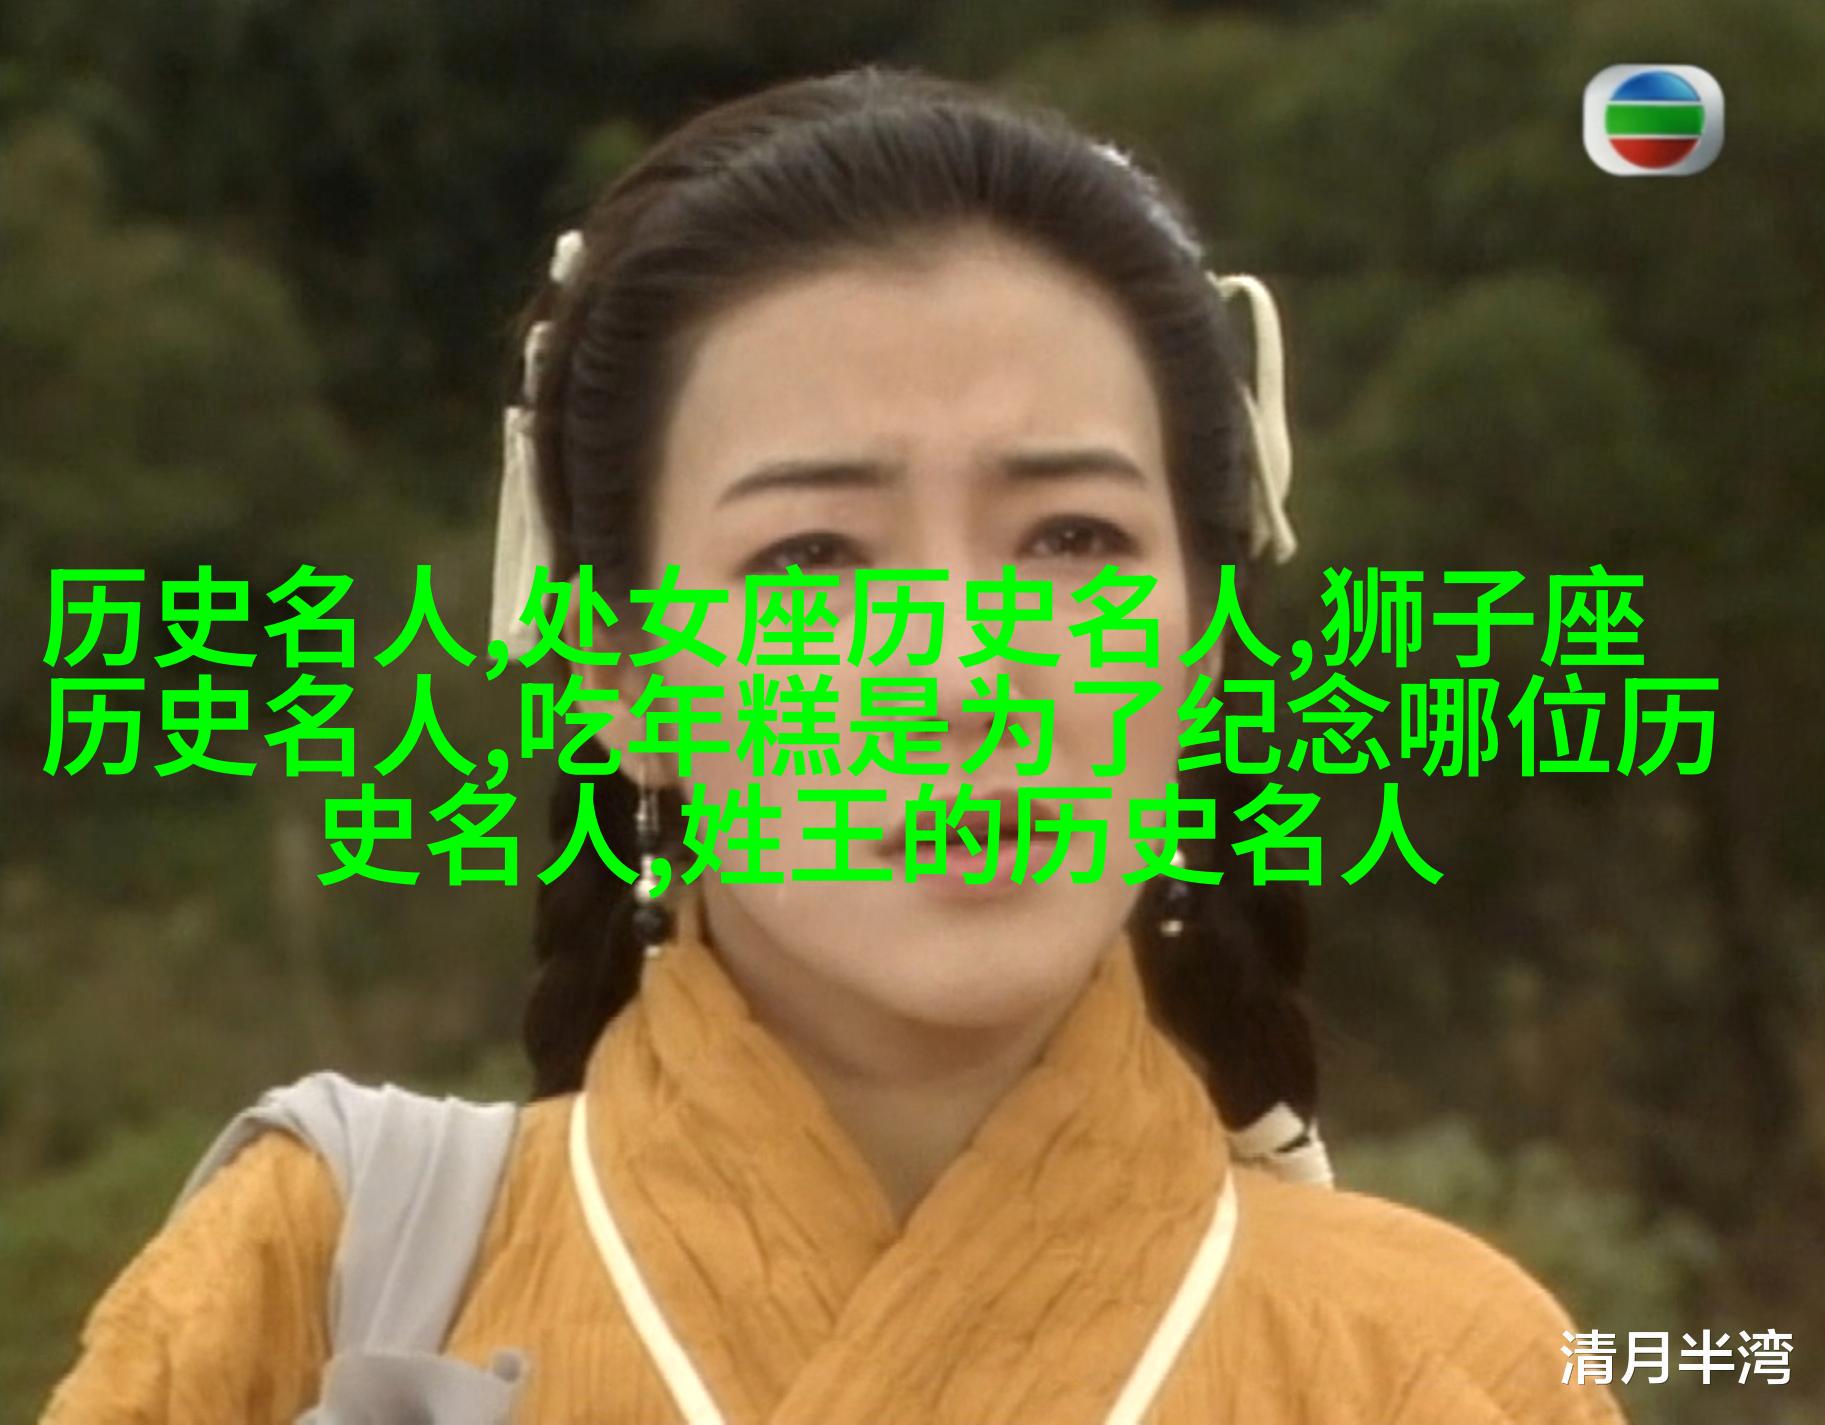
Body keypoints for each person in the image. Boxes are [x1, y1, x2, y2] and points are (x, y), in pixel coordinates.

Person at [42, 65, 1626, 1424]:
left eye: (1072, 539)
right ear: (613, 670)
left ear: (1202, 651)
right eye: (810, 561)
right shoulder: (312, 1283)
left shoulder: (1438, 1363)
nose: (962, 677)